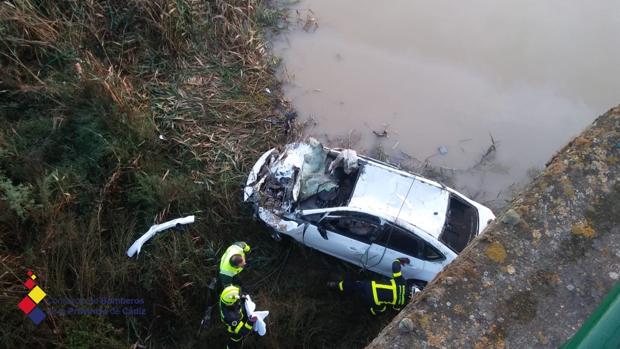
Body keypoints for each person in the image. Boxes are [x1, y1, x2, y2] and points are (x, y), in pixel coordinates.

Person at [328, 258, 420, 315]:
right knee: (381, 309)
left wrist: (401, 260)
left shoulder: (401, 282)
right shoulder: (401, 303)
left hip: (371, 286)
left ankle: (335, 285)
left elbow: (395, 266)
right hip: (374, 300)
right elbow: (395, 309)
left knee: (354, 286)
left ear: (411, 287)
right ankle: (370, 312)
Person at [219, 285, 256, 349]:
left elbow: (233, 296)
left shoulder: (224, 297)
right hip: (235, 333)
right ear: (231, 302)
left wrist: (241, 296)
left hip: (237, 318)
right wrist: (250, 322)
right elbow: (242, 331)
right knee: (235, 341)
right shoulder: (231, 317)